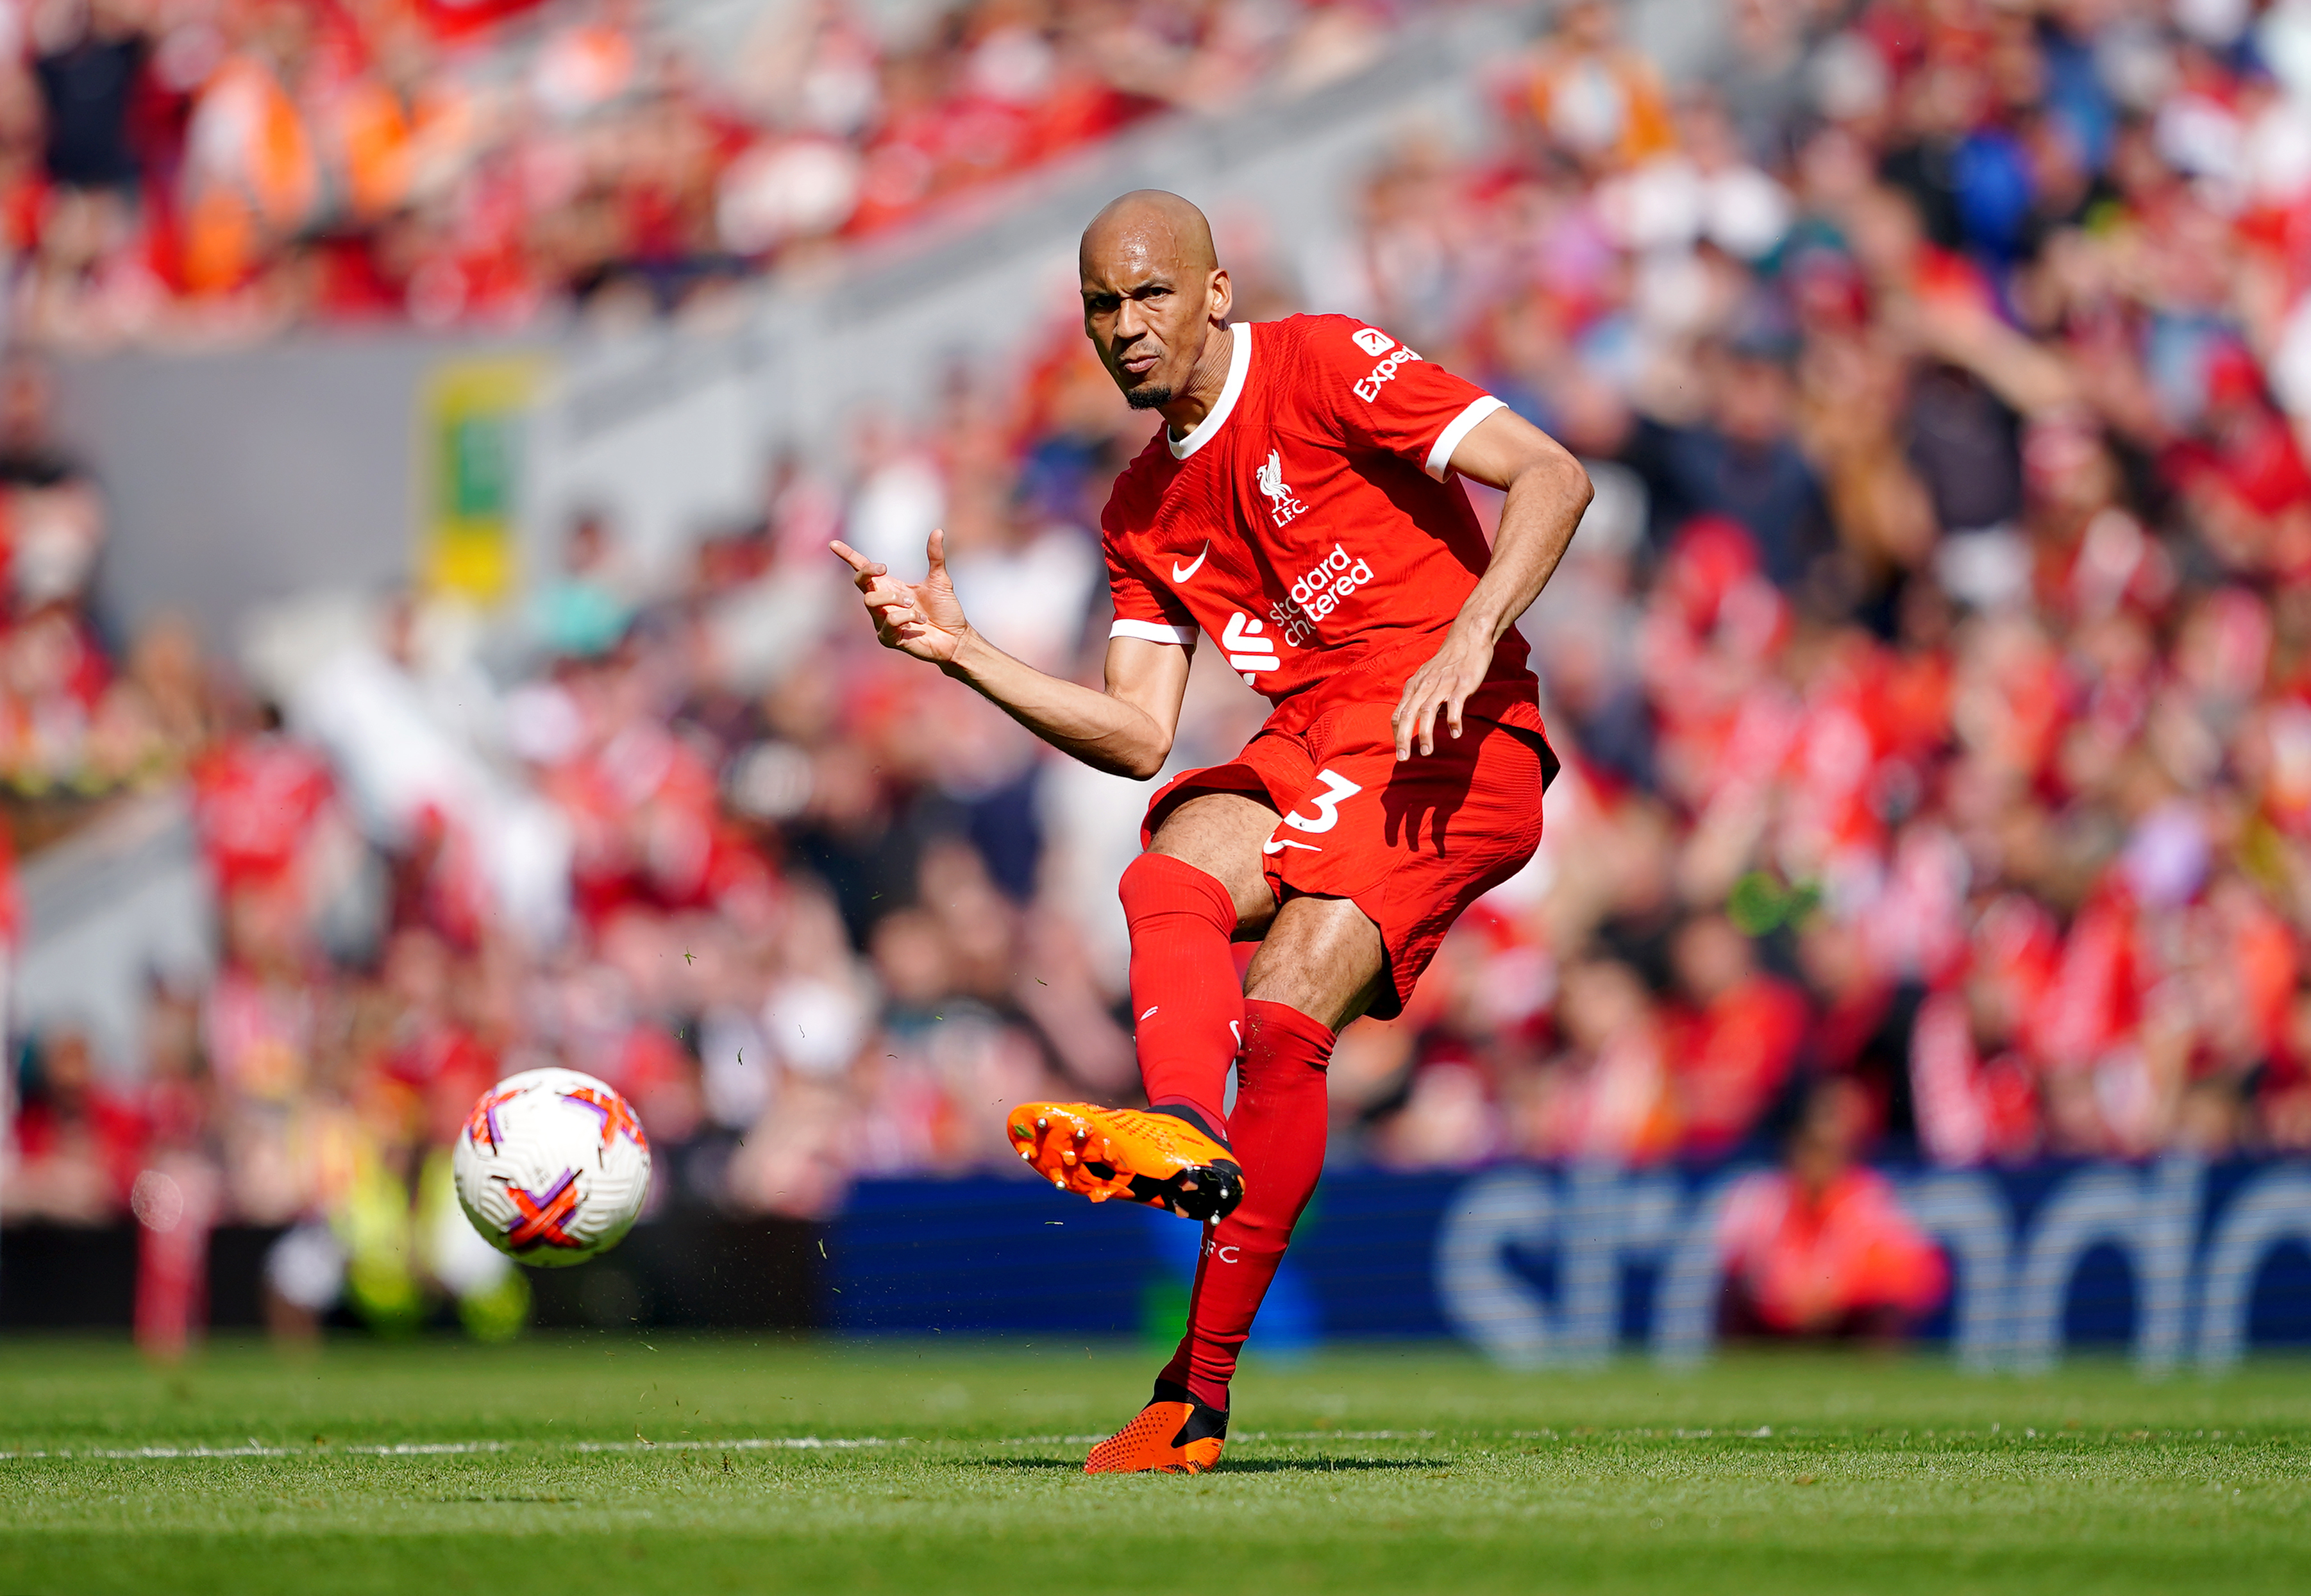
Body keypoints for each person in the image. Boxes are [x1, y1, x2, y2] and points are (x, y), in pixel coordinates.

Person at [832, 190, 1592, 1473]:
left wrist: (1469, 632)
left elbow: (1552, 474)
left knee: (1289, 995)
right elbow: (1137, 734)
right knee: (1171, 871)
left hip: (1447, 739)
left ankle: (1200, 1389)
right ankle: (1183, 1154)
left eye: (1148, 297)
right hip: (1318, 739)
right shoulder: (1138, 509)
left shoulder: (1326, 363)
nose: (1124, 329)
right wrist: (960, 654)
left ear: (1214, 293)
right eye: (1100, 309)